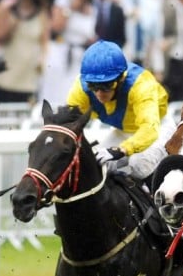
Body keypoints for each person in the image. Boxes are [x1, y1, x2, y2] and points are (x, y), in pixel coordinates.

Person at [67, 40, 168, 179]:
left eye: (106, 85)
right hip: (123, 131)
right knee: (95, 165)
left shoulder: (141, 84)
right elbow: (68, 123)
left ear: (120, 78)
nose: (99, 93)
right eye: (93, 86)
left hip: (158, 128)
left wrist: (122, 149)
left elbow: (149, 129)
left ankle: (152, 198)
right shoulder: (80, 88)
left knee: (139, 164)